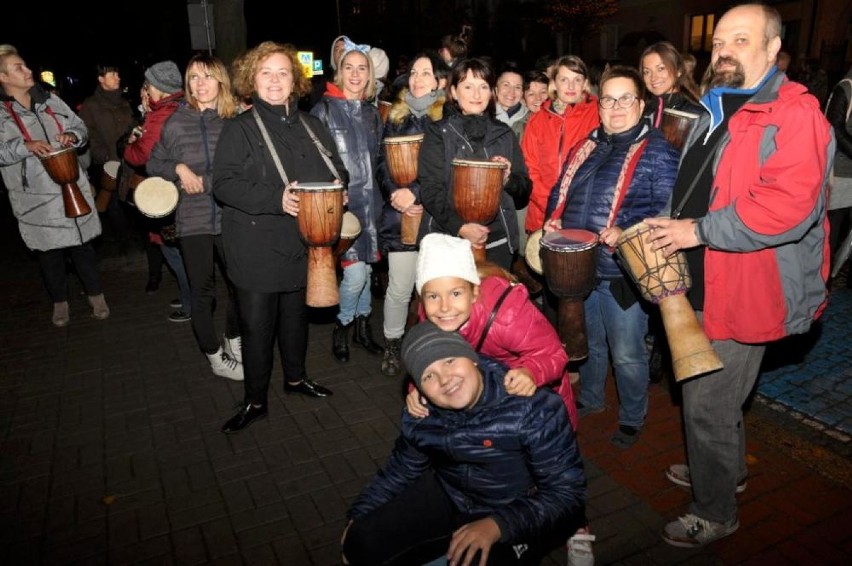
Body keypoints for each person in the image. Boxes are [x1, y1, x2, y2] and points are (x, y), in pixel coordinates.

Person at [643, 4, 832, 547]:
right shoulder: (718, 105)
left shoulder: (794, 114)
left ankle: (715, 508)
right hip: (706, 275)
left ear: (773, 50)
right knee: (720, 398)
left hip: (748, 285)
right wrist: (674, 219)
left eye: (741, 40)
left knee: (707, 401)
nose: (723, 50)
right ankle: (726, 470)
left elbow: (784, 207)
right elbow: (702, 183)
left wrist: (695, 231)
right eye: (719, 41)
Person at [406, 233, 594, 566]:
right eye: (433, 296)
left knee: (555, 475)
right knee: (510, 473)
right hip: (490, 403)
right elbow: (427, 361)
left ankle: (576, 526)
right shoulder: (431, 314)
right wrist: (416, 389)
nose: (444, 308)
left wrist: (532, 372)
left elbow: (554, 354)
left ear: (473, 291)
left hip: (539, 402)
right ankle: (506, 527)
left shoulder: (506, 313)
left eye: (454, 294)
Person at [341, 320, 586, 566]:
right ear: (420, 389)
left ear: (473, 358)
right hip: (452, 494)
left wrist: (497, 525)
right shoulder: (422, 413)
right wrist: (360, 513)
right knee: (359, 543)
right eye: (428, 375)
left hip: (516, 510)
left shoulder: (534, 407)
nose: (445, 379)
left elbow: (566, 494)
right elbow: (400, 468)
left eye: (449, 361)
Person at [213, 41, 344, 433]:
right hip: (254, 246)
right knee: (257, 328)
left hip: (301, 243)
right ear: (251, 81)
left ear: (295, 81)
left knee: (295, 318)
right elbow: (224, 185)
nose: (275, 80)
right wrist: (276, 197)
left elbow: (337, 168)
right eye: (266, 73)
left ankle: (295, 378)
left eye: (283, 72)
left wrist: (340, 188)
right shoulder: (239, 128)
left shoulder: (311, 124)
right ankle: (255, 400)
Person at [544, 65, 678, 448]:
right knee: (592, 342)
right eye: (608, 99)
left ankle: (633, 416)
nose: (616, 107)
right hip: (582, 266)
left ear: (641, 105)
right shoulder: (587, 145)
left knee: (627, 352)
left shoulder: (658, 151)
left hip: (623, 270)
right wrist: (554, 218)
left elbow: (669, 211)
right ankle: (591, 398)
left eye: (625, 99)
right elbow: (560, 190)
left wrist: (627, 230)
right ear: (598, 105)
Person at [147, 54, 243, 381]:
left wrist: (209, 180)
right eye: (193, 78)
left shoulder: (233, 121)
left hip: (232, 216)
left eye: (206, 77)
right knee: (203, 292)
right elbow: (152, 164)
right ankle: (215, 356)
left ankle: (233, 338)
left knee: (241, 285)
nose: (199, 85)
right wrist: (177, 167)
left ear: (221, 80)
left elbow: (243, 167)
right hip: (194, 219)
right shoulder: (176, 122)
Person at [0, 44, 109, 327]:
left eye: (25, 65)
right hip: (36, 197)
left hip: (72, 188)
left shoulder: (51, 101)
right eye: (18, 68)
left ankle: (96, 295)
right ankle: (59, 302)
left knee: (83, 246)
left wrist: (72, 136)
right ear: (2, 77)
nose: (27, 71)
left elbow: (80, 127)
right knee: (49, 254)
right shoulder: (1, 113)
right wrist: (24, 145)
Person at [418, 57, 531, 270]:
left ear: (492, 93)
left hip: (497, 241)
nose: (476, 94)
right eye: (468, 86)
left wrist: (507, 178)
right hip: (448, 239)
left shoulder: (504, 134)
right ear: (453, 92)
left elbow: (524, 188)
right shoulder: (438, 132)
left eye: (483, 87)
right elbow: (430, 190)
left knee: (493, 302)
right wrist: (460, 227)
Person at [376, 50, 449, 376]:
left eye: (426, 72)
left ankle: (437, 346)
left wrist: (415, 192)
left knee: (435, 288)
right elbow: (382, 162)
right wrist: (394, 193)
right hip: (399, 215)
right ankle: (393, 344)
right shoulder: (394, 117)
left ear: (439, 81)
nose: (418, 79)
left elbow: (446, 169)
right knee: (400, 287)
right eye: (415, 72)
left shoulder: (447, 118)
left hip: (434, 217)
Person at [311, 41, 385, 364]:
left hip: (374, 206)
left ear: (370, 75)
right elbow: (312, 160)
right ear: (339, 72)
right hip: (344, 209)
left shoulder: (372, 112)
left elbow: (380, 159)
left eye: (362, 68)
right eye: (349, 67)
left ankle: (363, 327)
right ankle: (342, 325)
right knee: (354, 276)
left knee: (367, 272)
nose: (355, 74)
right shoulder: (324, 109)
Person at [123, 61, 193, 322]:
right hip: (179, 189)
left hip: (169, 194)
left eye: (149, 85)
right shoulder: (180, 105)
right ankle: (191, 296)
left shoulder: (161, 114)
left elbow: (141, 155)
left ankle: (191, 303)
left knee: (173, 251)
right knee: (180, 250)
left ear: (161, 88)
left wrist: (129, 146)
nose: (146, 89)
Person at [521, 55, 600, 236]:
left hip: (582, 214)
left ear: (585, 83)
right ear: (554, 83)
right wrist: (552, 205)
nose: (571, 87)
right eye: (564, 80)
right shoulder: (538, 119)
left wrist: (571, 208)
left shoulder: (598, 113)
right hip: (543, 214)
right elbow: (529, 168)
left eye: (577, 80)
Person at [78, 63, 136, 247]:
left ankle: (136, 237)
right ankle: (124, 240)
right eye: (112, 74)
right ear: (101, 79)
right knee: (113, 205)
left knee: (132, 200)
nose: (118, 77)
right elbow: (89, 134)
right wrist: (103, 156)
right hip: (109, 163)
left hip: (130, 161)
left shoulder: (124, 102)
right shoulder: (90, 105)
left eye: (117, 73)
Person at [825, 65, 852, 278]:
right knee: (832, 228)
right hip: (840, 172)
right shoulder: (846, 88)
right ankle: (822, 279)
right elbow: (835, 127)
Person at [639, 42, 702, 128]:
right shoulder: (641, 111)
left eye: (661, 69)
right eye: (647, 72)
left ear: (678, 71)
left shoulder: (693, 114)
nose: (653, 78)